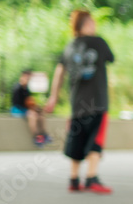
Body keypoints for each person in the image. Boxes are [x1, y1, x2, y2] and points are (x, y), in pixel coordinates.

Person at [45, 10, 114, 194]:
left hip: (77, 104)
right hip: (97, 102)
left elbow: (59, 72)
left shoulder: (69, 46)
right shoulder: (98, 42)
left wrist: (53, 97)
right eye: (93, 22)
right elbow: (111, 59)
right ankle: (92, 177)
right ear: (88, 24)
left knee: (76, 140)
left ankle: (74, 179)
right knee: (95, 141)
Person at [10, 69, 51, 147]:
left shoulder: (27, 89)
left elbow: (29, 102)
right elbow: (18, 103)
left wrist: (37, 108)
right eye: (27, 77)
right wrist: (30, 109)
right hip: (17, 109)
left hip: (25, 109)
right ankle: (36, 137)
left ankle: (44, 135)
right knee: (32, 115)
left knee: (41, 114)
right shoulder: (17, 88)